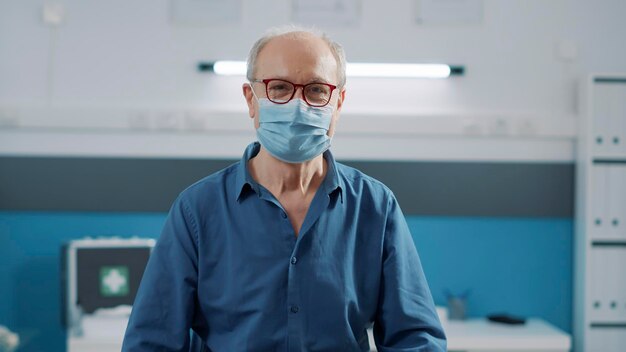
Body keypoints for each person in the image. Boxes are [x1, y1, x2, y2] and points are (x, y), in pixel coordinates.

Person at [122, 26, 446, 351]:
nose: (298, 105)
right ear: (251, 99)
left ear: (338, 102)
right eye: (278, 88)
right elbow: (151, 341)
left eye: (317, 90)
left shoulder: (376, 208)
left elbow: (416, 340)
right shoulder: (198, 210)